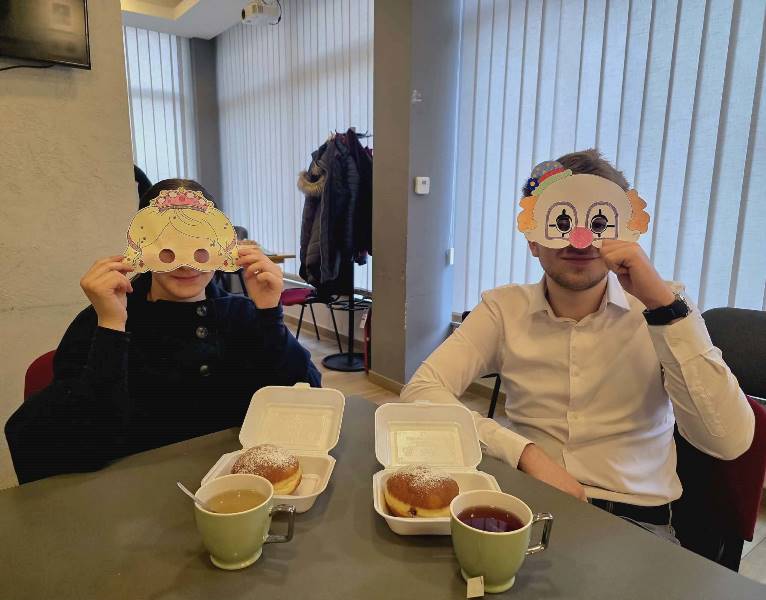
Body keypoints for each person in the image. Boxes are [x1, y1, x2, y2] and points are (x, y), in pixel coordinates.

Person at [400, 149, 755, 541]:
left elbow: (729, 441)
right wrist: (523, 451)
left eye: (598, 222)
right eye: (561, 222)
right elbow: (420, 391)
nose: (580, 239)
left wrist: (664, 309)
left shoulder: (665, 308)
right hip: (527, 501)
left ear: (625, 230)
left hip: (636, 522)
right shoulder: (503, 309)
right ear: (533, 238)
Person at [5, 179, 321, 484]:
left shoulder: (243, 315)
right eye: (168, 249)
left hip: (242, 485)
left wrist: (269, 313)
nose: (186, 265)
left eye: (199, 247)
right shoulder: (103, 321)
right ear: (142, 247)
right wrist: (111, 328)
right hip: (136, 492)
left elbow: (306, 399)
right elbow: (82, 441)